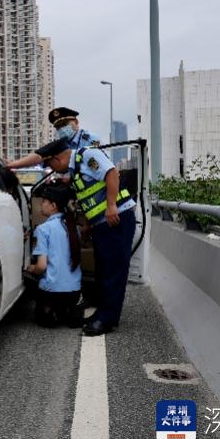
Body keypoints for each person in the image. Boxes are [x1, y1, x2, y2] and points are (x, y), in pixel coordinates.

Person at [34, 138, 136, 336]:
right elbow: (89, 197)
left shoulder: (87, 156)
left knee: (113, 270)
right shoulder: (75, 170)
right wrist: (88, 224)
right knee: (104, 270)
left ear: (58, 158)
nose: (54, 169)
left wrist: (112, 205)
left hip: (116, 218)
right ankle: (103, 313)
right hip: (101, 224)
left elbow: (111, 173)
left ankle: (107, 319)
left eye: (51, 164)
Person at [26, 184, 83, 328]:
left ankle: (50, 311)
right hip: (74, 292)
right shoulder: (74, 228)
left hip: (52, 294)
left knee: (29, 274)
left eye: (44, 201)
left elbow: (41, 266)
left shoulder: (43, 229)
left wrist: (30, 268)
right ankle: (66, 310)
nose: (41, 204)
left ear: (53, 205)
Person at [5, 107, 103, 169]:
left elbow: (98, 165)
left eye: (65, 124)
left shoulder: (90, 139)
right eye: (58, 127)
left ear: (76, 122)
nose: (62, 129)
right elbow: (38, 160)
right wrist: (14, 164)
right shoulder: (59, 144)